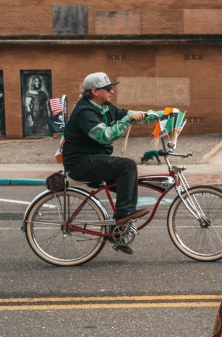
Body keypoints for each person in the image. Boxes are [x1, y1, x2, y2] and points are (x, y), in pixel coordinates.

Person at [62, 72, 157, 254]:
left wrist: (163, 115)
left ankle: (117, 231)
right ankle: (123, 215)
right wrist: (126, 120)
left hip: (94, 160)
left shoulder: (106, 107)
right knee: (127, 165)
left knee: (128, 183)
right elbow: (105, 136)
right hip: (81, 163)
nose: (112, 91)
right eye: (108, 88)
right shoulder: (84, 112)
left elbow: (132, 115)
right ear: (95, 91)